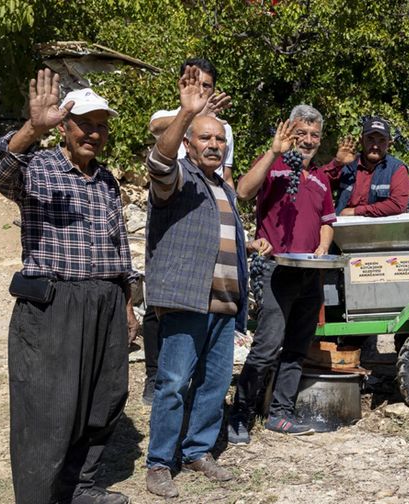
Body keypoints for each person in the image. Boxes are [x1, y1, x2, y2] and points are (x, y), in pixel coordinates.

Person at [0, 69, 137, 504]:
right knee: (46, 410)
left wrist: (127, 304)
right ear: (65, 127)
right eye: (84, 123)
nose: (93, 133)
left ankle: (80, 487)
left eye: (101, 125)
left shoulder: (108, 181)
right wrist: (31, 129)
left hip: (107, 301)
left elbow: (120, 251)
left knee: (104, 400)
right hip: (54, 305)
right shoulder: (39, 167)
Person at [143, 66, 250, 498]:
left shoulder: (221, 188)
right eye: (205, 138)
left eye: (219, 139)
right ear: (189, 143)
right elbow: (157, 161)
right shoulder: (179, 177)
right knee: (172, 383)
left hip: (224, 303)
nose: (214, 144)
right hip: (188, 300)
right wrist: (186, 114)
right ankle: (158, 462)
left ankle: (199, 451)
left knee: (214, 383)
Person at [227, 104, 336, 444]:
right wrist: (274, 151)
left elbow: (326, 222)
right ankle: (239, 415)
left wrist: (322, 248)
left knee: (297, 347)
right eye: (301, 133)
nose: (307, 140)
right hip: (276, 271)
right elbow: (243, 192)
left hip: (310, 273)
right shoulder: (274, 164)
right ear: (290, 132)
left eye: (314, 135)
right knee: (267, 346)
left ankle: (281, 414)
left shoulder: (320, 177)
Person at [149, 58, 234, 188]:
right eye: (194, 83)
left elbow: (226, 176)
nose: (200, 90)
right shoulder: (166, 116)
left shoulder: (224, 128)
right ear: (182, 84)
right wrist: (197, 115)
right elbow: (155, 127)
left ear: (213, 90)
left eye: (206, 86)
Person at [327, 116, 409, 216]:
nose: (375, 146)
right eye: (370, 139)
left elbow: (397, 204)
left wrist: (355, 211)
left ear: (389, 144)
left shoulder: (397, 169)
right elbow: (318, 186)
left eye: (381, 140)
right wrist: (337, 163)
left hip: (379, 230)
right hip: (343, 228)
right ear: (361, 140)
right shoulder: (347, 163)